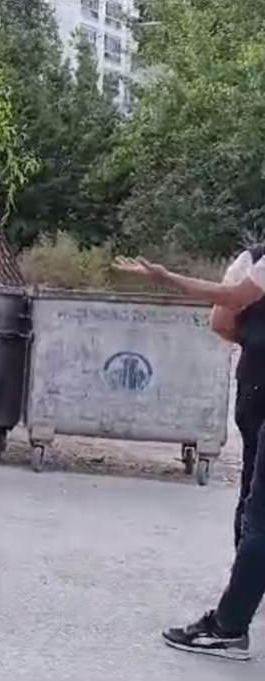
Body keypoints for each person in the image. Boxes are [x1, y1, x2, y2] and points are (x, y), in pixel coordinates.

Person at [115, 249, 265, 662]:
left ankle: (229, 627)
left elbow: (229, 303)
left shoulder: (256, 258)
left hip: (260, 384)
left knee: (258, 518)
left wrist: (165, 277)